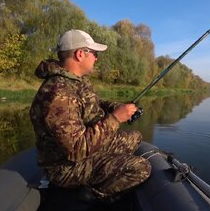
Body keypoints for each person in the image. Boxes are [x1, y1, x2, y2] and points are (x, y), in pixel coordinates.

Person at [29, 29, 151, 200]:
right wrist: (115, 118)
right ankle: (92, 197)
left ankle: (104, 171)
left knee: (135, 137)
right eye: (94, 53)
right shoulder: (58, 94)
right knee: (140, 168)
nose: (96, 58)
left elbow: (94, 103)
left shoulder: (75, 81)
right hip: (65, 168)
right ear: (80, 54)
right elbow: (76, 150)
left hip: (83, 152)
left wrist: (118, 108)